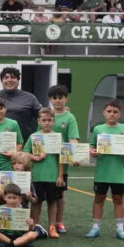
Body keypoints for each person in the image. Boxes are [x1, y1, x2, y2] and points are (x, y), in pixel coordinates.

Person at [87, 100, 124, 240]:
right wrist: (93, 152)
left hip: (118, 173)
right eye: (109, 111)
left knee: (118, 199)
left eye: (115, 111)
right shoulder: (98, 129)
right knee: (99, 199)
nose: (112, 114)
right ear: (104, 113)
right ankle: (95, 228)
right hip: (102, 172)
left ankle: (120, 230)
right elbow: (92, 146)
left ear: (120, 114)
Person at [22, 108, 64, 239]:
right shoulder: (34, 137)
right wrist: (36, 157)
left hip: (53, 176)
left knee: (53, 202)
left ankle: (52, 227)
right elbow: (25, 153)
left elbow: (62, 158)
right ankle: (35, 226)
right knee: (36, 202)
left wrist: (60, 176)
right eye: (44, 120)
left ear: (53, 121)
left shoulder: (57, 137)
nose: (47, 122)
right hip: (37, 176)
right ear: (39, 121)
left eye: (49, 120)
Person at [47, 84, 78, 235]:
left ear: (66, 99)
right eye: (54, 98)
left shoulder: (70, 118)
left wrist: (74, 156)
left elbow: (73, 139)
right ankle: (46, 223)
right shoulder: (47, 115)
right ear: (50, 99)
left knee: (59, 195)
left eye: (61, 97)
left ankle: (58, 222)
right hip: (45, 162)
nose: (58, 100)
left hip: (61, 164)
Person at [0, 66, 41, 140]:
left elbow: (42, 117)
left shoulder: (30, 98)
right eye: (6, 78)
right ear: (2, 81)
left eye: (13, 77)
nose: (9, 80)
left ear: (18, 80)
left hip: (24, 141)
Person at [0, 183, 38, 247]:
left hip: (18, 236)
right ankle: (18, 245)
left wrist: (30, 224)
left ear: (19, 198)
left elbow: (28, 230)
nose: (12, 200)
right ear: (4, 197)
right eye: (9, 197)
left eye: (14, 198)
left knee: (34, 234)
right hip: (3, 235)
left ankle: (7, 246)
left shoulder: (23, 211)